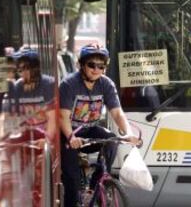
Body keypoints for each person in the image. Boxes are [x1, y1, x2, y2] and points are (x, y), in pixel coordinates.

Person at [59, 43, 140, 207]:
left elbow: (117, 113)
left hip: (90, 130)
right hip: (69, 134)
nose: (96, 69)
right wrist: (71, 136)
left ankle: (97, 182)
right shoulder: (69, 84)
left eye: (101, 66)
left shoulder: (106, 84)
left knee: (111, 139)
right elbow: (62, 117)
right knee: (72, 181)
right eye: (91, 65)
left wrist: (129, 133)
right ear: (81, 65)